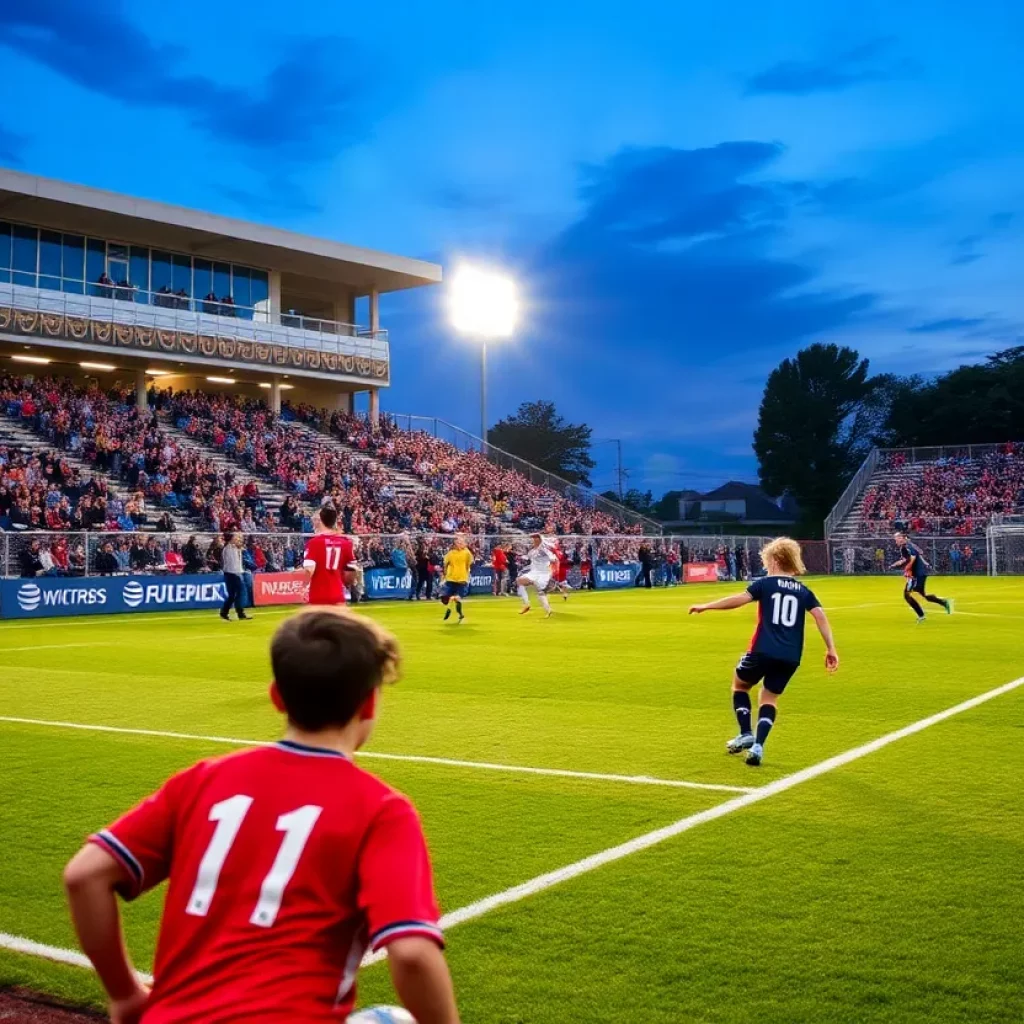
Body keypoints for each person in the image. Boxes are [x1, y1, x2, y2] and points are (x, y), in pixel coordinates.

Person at [63, 608, 460, 1024]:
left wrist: (125, 994)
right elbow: (413, 954)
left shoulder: (201, 781)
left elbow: (85, 875)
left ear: (276, 696)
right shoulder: (381, 810)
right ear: (370, 702)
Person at [689, 537, 839, 767]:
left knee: (740, 685)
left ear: (777, 560)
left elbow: (739, 599)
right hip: (791, 656)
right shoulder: (804, 590)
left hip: (762, 650)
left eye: (768, 560)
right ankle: (758, 745)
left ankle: (745, 732)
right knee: (769, 697)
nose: (767, 564)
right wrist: (831, 648)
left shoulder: (765, 584)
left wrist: (707, 606)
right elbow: (820, 616)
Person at [890, 531, 953, 622]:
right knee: (922, 594)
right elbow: (913, 556)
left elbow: (913, 558)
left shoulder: (907, 547)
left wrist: (906, 568)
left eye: (897, 538)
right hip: (918, 574)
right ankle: (943, 602)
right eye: (895, 538)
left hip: (916, 575)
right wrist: (896, 564)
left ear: (902, 538)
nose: (895, 540)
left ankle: (921, 616)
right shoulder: (907, 546)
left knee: (908, 595)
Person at [303, 506, 356, 606]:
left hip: (318, 598)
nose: (312, 523)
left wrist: (303, 587)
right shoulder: (346, 543)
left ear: (320, 521)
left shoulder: (313, 543)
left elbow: (309, 571)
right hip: (338, 597)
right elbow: (350, 575)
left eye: (314, 519)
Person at [516, 534, 557, 617]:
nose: (533, 541)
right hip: (534, 573)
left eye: (535, 539)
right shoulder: (531, 551)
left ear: (539, 540)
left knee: (540, 592)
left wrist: (553, 560)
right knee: (519, 580)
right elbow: (527, 557)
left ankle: (548, 610)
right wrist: (520, 557)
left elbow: (553, 558)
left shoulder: (544, 550)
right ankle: (527, 604)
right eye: (533, 539)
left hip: (543, 573)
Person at [440, 534, 472, 623]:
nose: (460, 544)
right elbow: (445, 564)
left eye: (461, 542)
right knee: (445, 598)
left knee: (456, 598)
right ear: (455, 544)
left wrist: (466, 573)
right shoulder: (450, 553)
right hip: (451, 579)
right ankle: (456, 612)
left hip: (462, 579)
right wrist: (444, 575)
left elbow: (468, 564)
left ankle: (459, 613)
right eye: (458, 542)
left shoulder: (467, 552)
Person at [220, 531, 250, 621]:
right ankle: (240, 613)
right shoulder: (229, 548)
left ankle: (224, 612)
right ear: (232, 539)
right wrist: (238, 573)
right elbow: (232, 563)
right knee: (240, 593)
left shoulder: (236, 549)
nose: (239, 540)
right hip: (232, 573)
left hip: (235, 573)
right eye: (236, 538)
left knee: (232, 595)